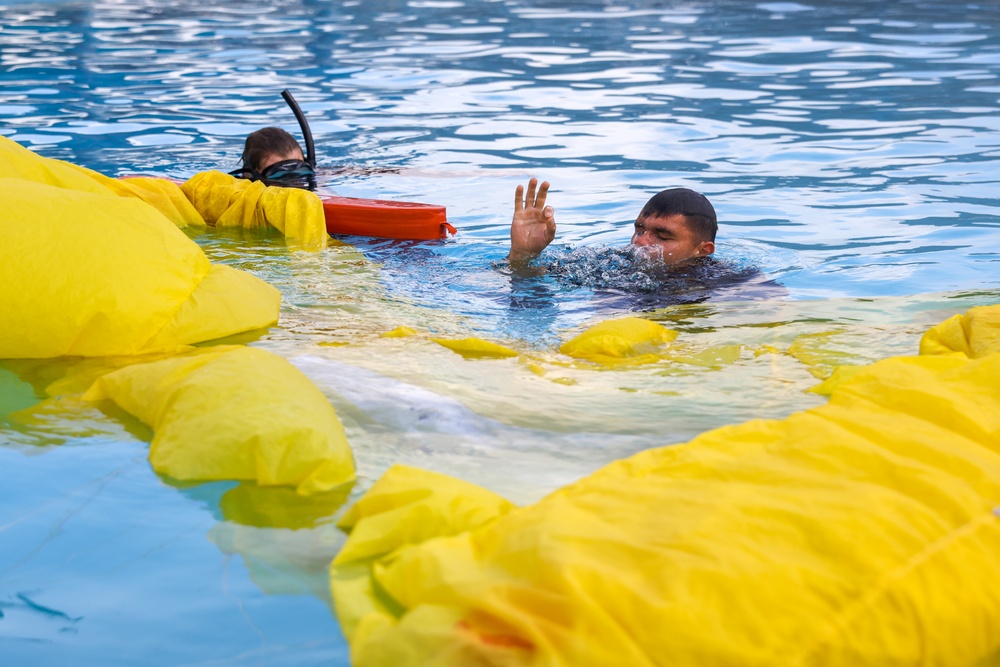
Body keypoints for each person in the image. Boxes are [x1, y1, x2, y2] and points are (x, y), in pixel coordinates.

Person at [507, 177, 717, 268]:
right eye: (640, 229)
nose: (641, 242)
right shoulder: (609, 265)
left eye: (662, 236)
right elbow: (523, 287)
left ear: (703, 250)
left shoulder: (729, 286)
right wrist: (523, 255)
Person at [229, 126, 316, 189]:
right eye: (279, 176)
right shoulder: (236, 188)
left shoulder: (321, 175)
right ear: (248, 175)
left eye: (300, 171)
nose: (293, 185)